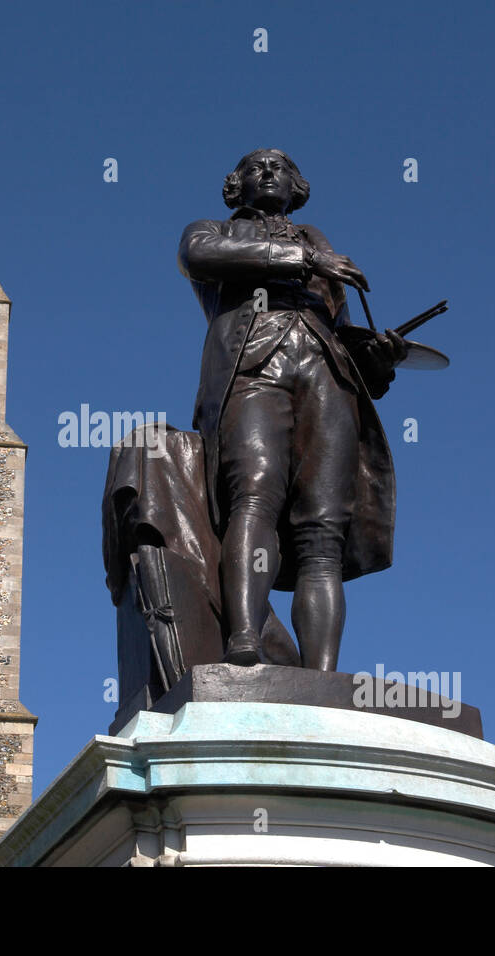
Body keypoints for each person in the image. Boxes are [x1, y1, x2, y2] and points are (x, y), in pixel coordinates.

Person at [178, 148, 407, 671]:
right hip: (254, 363)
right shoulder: (213, 230)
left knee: (322, 531)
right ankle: (243, 642)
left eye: (279, 166)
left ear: (297, 184)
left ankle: (322, 674)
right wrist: (305, 260)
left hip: (326, 375)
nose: (267, 172)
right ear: (235, 183)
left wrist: (378, 357)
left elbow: (345, 336)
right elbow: (201, 256)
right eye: (255, 165)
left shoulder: (321, 244)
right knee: (253, 495)